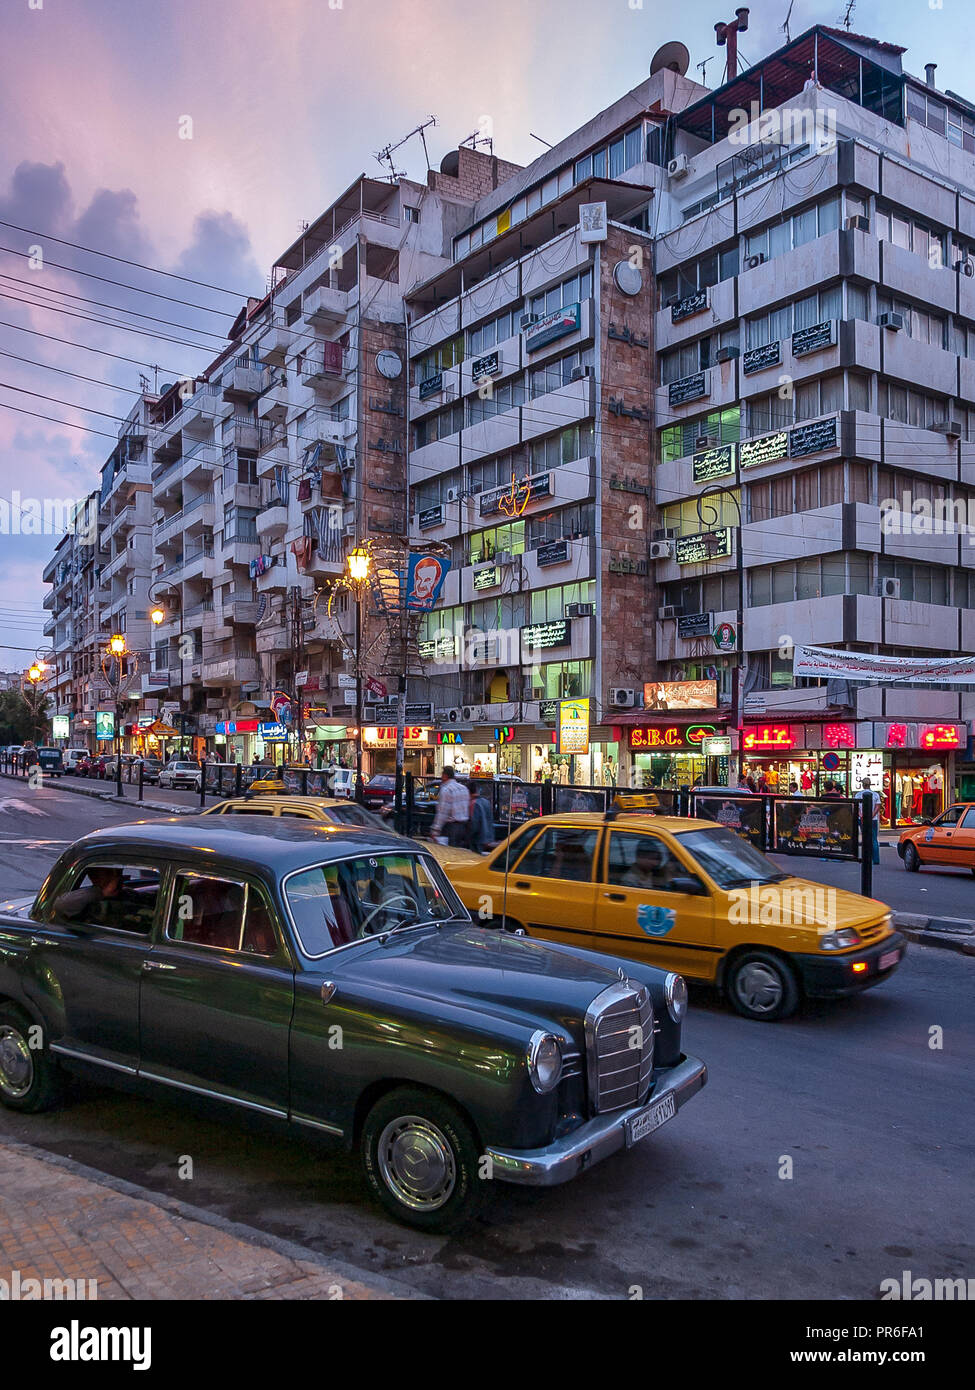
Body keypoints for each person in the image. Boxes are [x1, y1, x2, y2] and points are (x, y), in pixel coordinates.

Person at [431, 765, 471, 846]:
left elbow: (443, 812)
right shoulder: (464, 788)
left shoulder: (446, 790)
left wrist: (435, 831)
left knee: (449, 853)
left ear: (445, 775)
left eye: (442, 774)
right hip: (463, 826)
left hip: (451, 828)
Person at [857, 776, 882, 864]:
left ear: (862, 785)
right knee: (874, 839)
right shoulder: (875, 795)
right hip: (873, 819)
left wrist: (861, 816)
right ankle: (875, 859)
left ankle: (866, 858)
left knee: (865, 838)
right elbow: (878, 806)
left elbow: (857, 808)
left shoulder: (858, 795)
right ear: (870, 784)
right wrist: (872, 815)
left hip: (862, 819)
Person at [468, 784, 494, 854]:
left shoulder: (474, 803)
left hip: (478, 838)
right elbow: (490, 819)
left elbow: (475, 823)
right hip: (487, 836)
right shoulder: (486, 802)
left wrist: (469, 835)